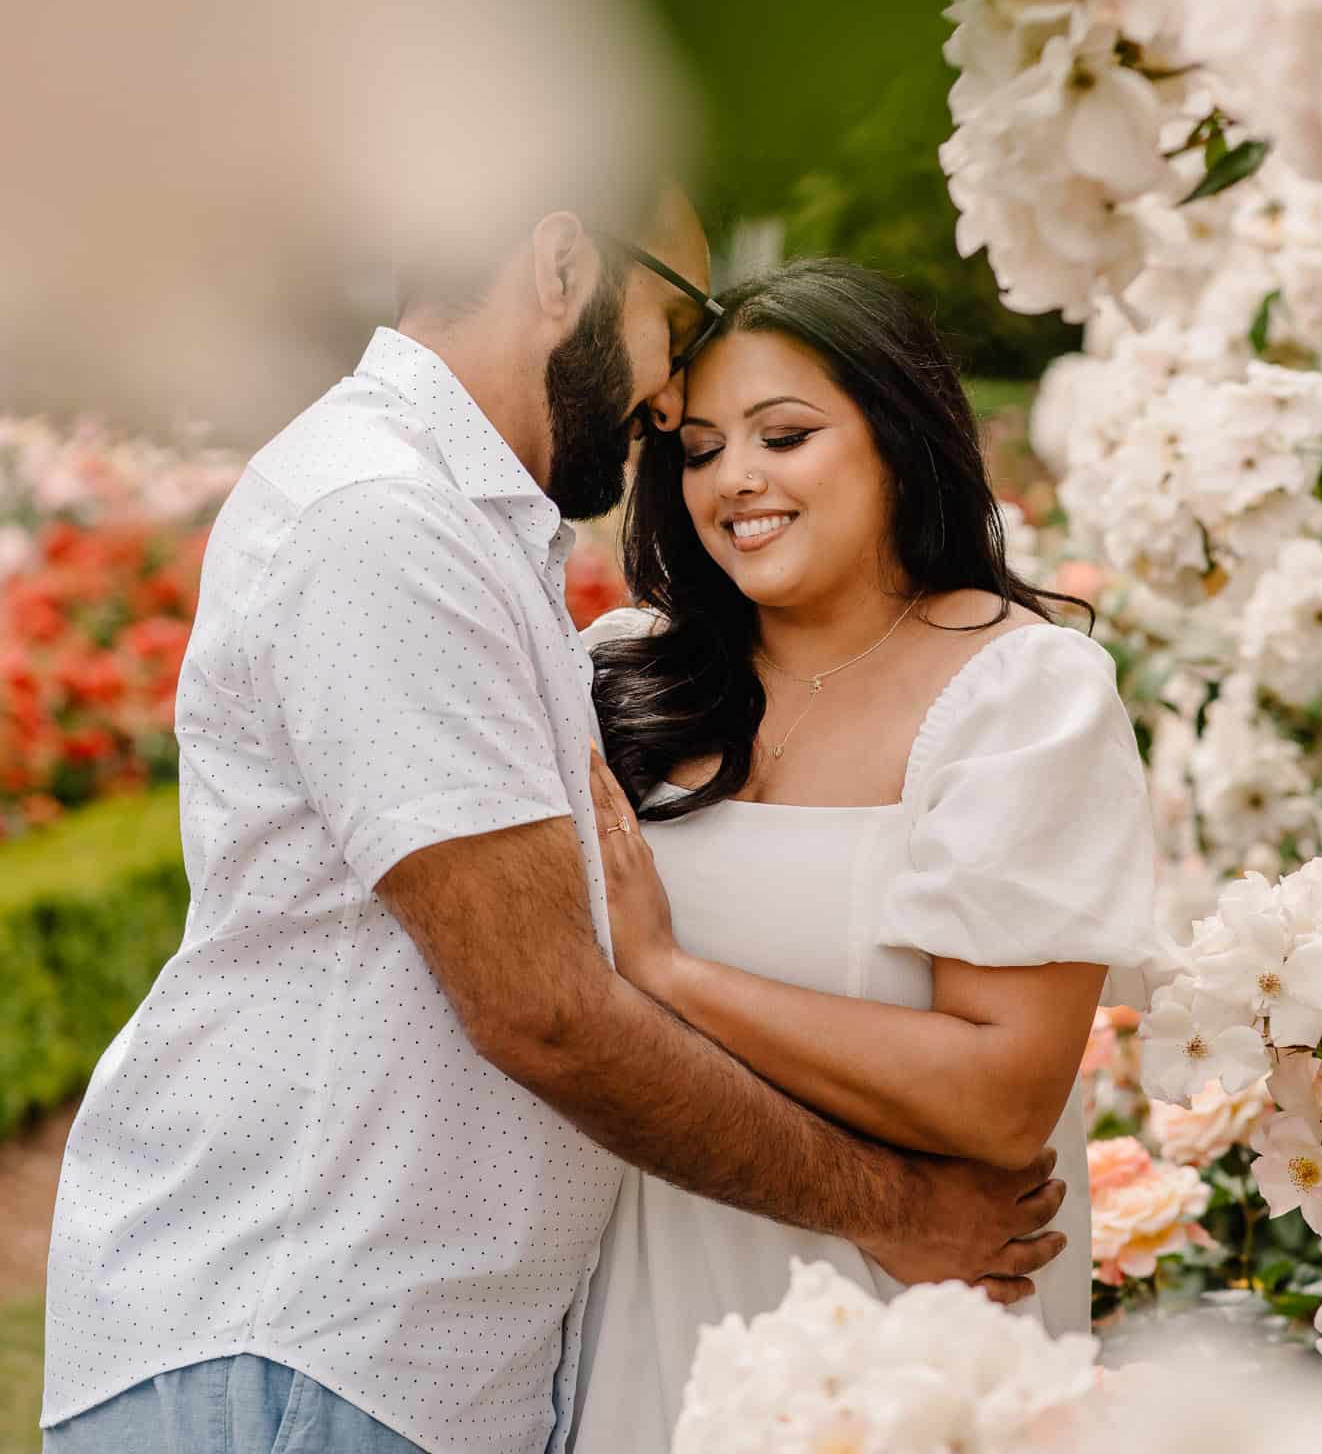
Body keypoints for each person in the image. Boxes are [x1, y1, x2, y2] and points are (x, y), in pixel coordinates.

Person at [41, 194, 1066, 1454]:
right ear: (565, 258)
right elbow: (543, 1007)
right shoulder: (382, 515)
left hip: (386, 1364)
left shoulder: (468, 521)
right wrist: (893, 1205)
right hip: (301, 1344)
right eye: (675, 321)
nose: (672, 391)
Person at [574, 257, 1155, 1453]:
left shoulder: (1018, 694)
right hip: (637, 1302)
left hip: (909, 1337)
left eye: (783, 435)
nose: (734, 477)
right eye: (695, 448)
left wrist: (674, 974)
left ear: (897, 436)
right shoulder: (621, 673)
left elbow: (1002, 1095)